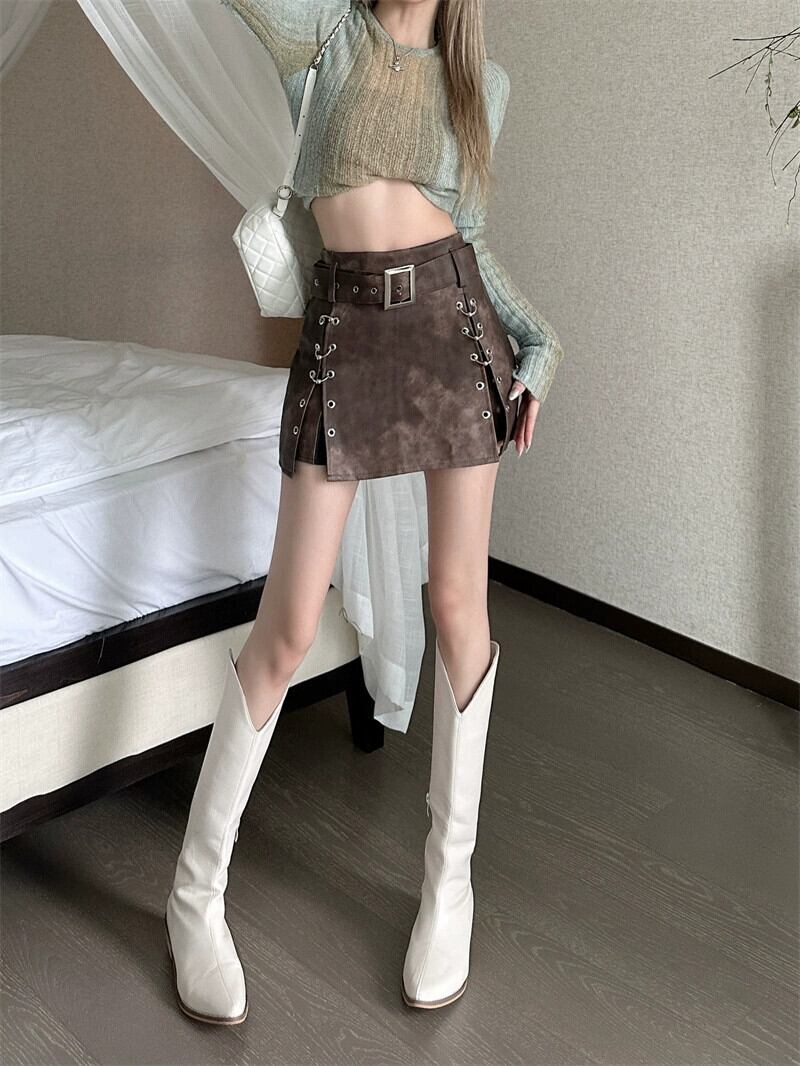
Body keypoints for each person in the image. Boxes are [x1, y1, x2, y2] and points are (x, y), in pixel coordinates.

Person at [164, 0, 564, 1025]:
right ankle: (194, 896)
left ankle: (449, 887)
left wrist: (542, 345)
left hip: (455, 338)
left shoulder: (483, 86)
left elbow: (474, 246)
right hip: (343, 335)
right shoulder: (320, 33)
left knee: (458, 608)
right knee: (288, 624)